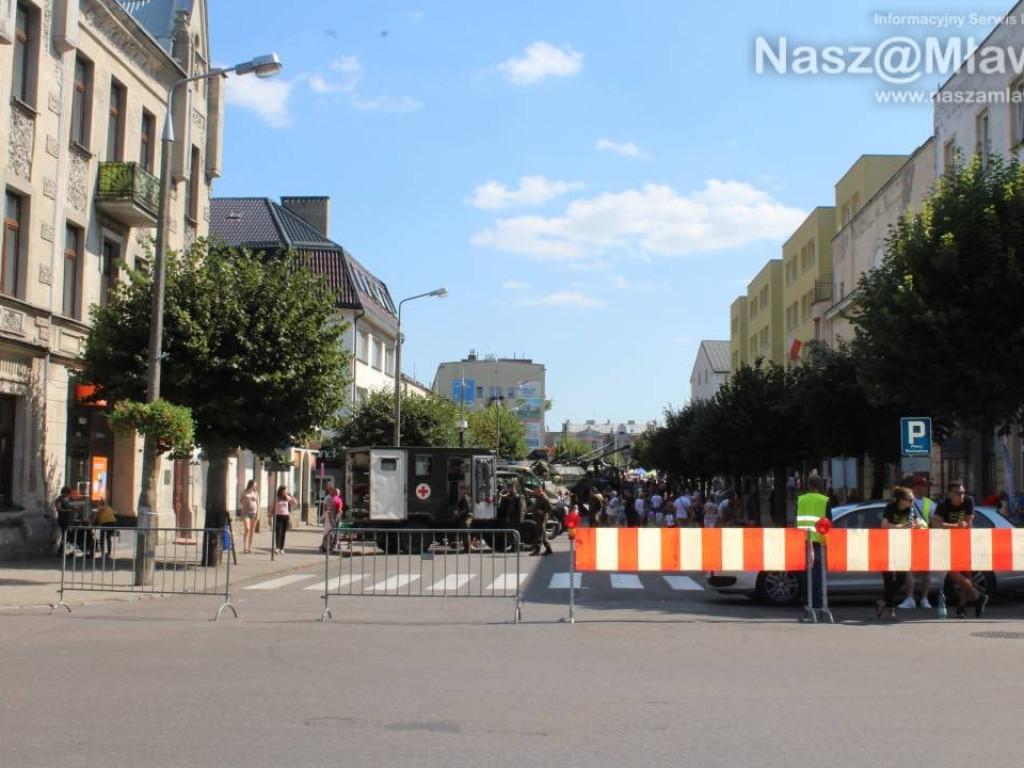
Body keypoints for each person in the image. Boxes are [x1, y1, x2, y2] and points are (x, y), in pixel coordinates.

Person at [932, 481, 988, 618]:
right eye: (958, 493)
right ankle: (978, 596)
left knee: (966, 575)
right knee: (953, 572)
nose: (961, 495)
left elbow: (968, 522)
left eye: (963, 492)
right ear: (950, 494)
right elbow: (936, 524)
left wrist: (962, 525)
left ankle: (962, 608)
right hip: (946, 542)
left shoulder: (968, 501)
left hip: (964, 540)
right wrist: (956, 525)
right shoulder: (943, 504)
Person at [878, 487, 925, 618]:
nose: (912, 501)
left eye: (913, 499)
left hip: (902, 547)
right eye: (910, 499)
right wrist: (901, 527)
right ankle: (891, 607)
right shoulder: (891, 507)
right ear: (901, 500)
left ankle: (883, 602)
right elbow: (884, 525)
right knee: (888, 578)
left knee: (901, 577)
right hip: (887, 546)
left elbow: (917, 522)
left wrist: (917, 525)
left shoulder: (911, 509)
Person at [795, 475, 831, 612]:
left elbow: (797, 519)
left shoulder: (801, 499)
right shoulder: (825, 500)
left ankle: (806, 600)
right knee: (818, 574)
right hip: (819, 542)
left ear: (808, 485)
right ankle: (817, 602)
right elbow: (829, 522)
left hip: (803, 540)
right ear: (820, 486)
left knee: (805, 573)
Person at [528, 485, 553, 555]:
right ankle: (548, 549)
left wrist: (543, 512)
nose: (534, 491)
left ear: (539, 489)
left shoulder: (544, 497)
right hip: (538, 518)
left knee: (540, 534)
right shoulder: (539, 497)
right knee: (543, 534)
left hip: (542, 518)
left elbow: (550, 508)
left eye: (535, 489)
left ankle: (537, 550)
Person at [319, 485, 343, 554]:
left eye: (336, 492)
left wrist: (339, 511)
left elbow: (337, 507)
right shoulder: (328, 498)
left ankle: (325, 547)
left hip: (333, 515)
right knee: (329, 533)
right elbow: (326, 508)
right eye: (333, 491)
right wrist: (325, 517)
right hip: (329, 516)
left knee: (328, 533)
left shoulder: (335, 498)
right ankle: (327, 548)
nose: (335, 493)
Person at [272, 485, 296, 555]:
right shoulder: (277, 498)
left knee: (283, 533)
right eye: (285, 490)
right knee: (278, 532)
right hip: (278, 516)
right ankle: (277, 548)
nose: (286, 491)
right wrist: (270, 515)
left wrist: (291, 496)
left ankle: (282, 548)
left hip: (285, 516)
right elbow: (272, 506)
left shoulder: (287, 497)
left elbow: (295, 503)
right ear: (282, 490)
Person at [239, 479, 259, 554]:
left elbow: (258, 504)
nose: (256, 485)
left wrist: (258, 513)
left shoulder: (256, 493)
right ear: (252, 484)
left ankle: (249, 547)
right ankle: (245, 547)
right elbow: (240, 502)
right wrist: (244, 500)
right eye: (255, 484)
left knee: (252, 530)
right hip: (245, 512)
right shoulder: (244, 492)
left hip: (254, 512)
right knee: (247, 529)